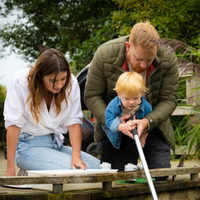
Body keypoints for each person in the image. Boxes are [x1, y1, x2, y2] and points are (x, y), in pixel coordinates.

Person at [84, 21, 179, 180]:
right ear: (128, 47)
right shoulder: (104, 54)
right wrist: (116, 123)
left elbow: (169, 100)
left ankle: (145, 162)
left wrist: (146, 123)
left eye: (149, 60)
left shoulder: (167, 56)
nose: (143, 65)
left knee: (160, 175)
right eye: (139, 58)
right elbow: (91, 95)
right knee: (120, 177)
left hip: (151, 123)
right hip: (117, 126)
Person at [4, 48, 100, 176]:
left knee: (98, 168)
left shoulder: (71, 82)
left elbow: (74, 121)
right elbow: (13, 124)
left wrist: (76, 156)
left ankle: (37, 172)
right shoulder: (21, 81)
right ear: (40, 75)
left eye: (63, 79)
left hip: (56, 144)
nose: (59, 85)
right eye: (53, 81)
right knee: (76, 172)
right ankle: (29, 173)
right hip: (27, 146)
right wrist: (10, 169)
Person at [100, 72, 152, 171]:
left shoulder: (146, 107)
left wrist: (144, 136)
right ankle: (105, 163)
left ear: (141, 93)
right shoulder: (113, 105)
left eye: (136, 98)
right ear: (119, 94)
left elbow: (148, 122)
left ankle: (131, 164)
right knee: (107, 143)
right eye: (127, 98)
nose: (131, 102)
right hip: (113, 131)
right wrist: (122, 127)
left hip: (133, 131)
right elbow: (109, 121)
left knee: (134, 143)